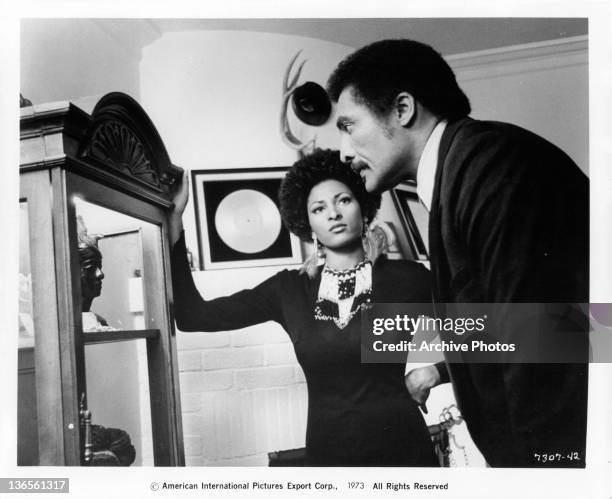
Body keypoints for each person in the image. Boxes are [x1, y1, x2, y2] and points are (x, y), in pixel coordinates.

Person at [327, 39, 588, 467]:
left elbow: (543, 348)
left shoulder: (494, 167)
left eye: (349, 125)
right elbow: (506, 317)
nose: (344, 151)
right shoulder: (462, 170)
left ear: (403, 108)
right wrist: (441, 364)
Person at [169, 149, 438, 466]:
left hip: (405, 453)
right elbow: (192, 316)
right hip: (330, 457)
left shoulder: (408, 279)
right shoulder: (288, 289)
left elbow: (499, 332)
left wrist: (436, 370)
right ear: (307, 221)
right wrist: (175, 219)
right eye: (319, 207)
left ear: (364, 209)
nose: (333, 213)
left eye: (344, 200)